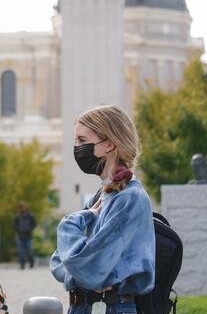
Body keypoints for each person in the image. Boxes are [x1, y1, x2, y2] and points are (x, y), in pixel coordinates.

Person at [51, 105, 155, 314]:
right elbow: (58, 261)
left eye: (82, 140)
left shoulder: (129, 199)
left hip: (111, 307)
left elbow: (88, 268)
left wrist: (69, 223)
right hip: (88, 306)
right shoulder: (103, 195)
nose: (77, 148)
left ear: (109, 144)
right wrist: (81, 274)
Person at [13, 202, 37, 269]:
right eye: (20, 207)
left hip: (28, 236)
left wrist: (29, 229)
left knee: (29, 250)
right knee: (21, 252)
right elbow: (14, 225)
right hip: (20, 236)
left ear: (25, 207)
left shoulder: (30, 216)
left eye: (22, 207)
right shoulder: (17, 217)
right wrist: (18, 230)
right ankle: (22, 265)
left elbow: (34, 224)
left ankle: (32, 262)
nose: (21, 208)